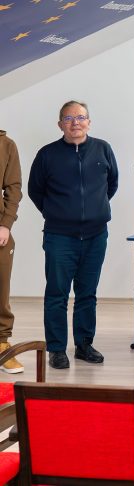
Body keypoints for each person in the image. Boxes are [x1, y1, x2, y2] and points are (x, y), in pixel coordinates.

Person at [28, 100, 119, 369]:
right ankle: (57, 349)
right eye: (68, 118)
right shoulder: (47, 154)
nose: (75, 123)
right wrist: (57, 212)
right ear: (60, 125)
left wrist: (94, 209)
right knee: (57, 294)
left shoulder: (103, 149)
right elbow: (35, 190)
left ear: (89, 122)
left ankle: (84, 345)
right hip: (60, 236)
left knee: (87, 293)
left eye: (80, 117)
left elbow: (111, 184)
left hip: (96, 235)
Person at [0, 129, 22, 373]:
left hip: (0, 229)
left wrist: (5, 224)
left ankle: (2, 346)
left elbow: (14, 187)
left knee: (1, 288)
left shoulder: (6, 145)